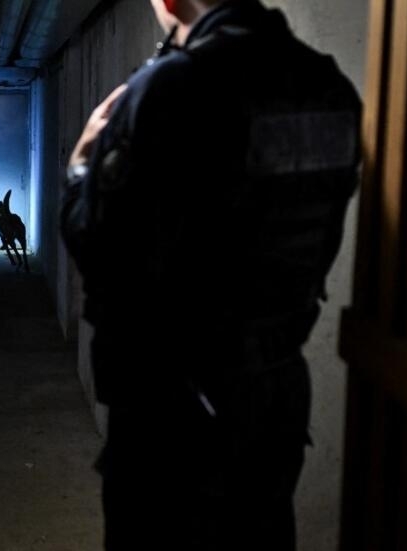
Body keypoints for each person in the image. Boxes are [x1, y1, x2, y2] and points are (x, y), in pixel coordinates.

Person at [61, 0, 361, 549]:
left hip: (171, 409)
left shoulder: (173, 87)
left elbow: (104, 252)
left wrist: (81, 171)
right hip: (276, 394)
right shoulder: (328, 85)